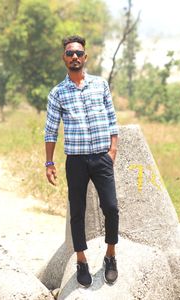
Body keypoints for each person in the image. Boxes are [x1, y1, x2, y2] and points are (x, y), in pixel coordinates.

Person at [45, 35, 119, 287]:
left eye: (78, 53)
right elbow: (50, 129)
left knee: (111, 207)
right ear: (63, 58)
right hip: (75, 161)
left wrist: (112, 150)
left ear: (85, 57)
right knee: (77, 211)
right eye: (69, 53)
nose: (74, 57)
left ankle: (110, 256)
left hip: (101, 158)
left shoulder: (100, 85)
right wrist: (49, 162)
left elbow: (112, 118)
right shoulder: (57, 93)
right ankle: (81, 259)